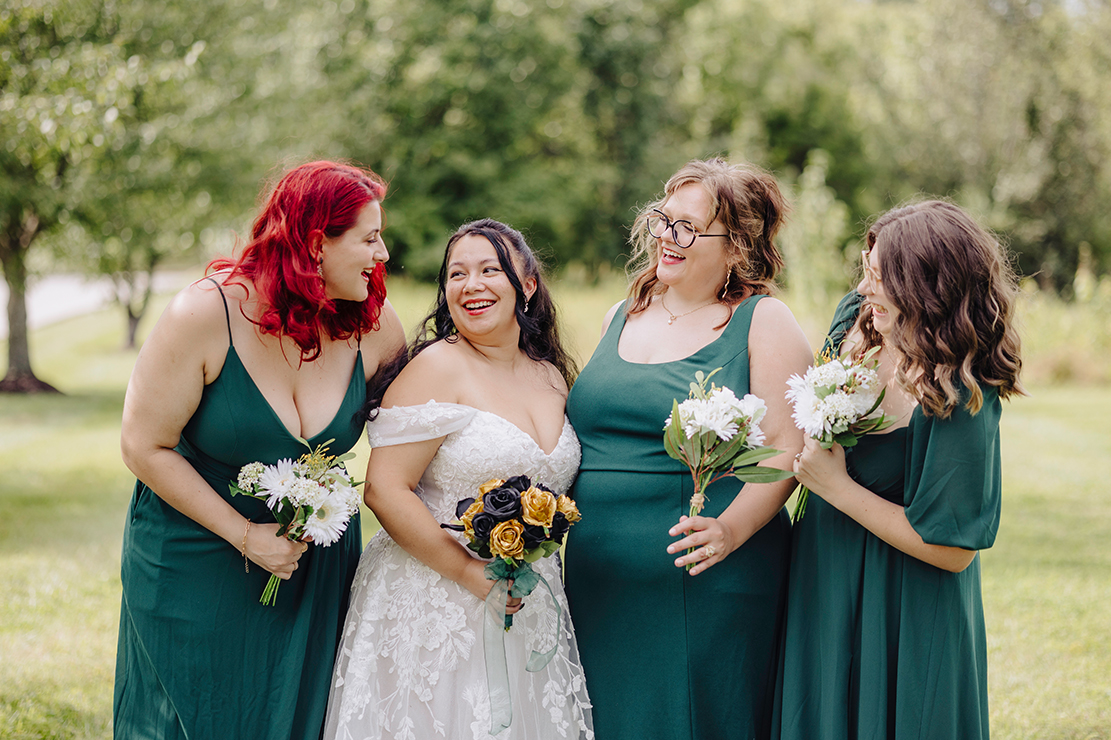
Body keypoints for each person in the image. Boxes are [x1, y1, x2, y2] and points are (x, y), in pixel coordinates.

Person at [114, 161, 406, 739]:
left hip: (312, 572)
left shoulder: (373, 325)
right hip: (194, 561)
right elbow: (143, 446)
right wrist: (246, 535)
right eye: (370, 238)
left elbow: (420, 432)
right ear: (317, 244)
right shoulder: (204, 314)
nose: (384, 253)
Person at [563, 158, 812, 740]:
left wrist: (729, 530)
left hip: (708, 579)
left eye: (688, 228)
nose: (666, 237)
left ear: (737, 248)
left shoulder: (762, 321)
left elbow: (786, 448)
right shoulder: (620, 314)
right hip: (600, 587)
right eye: (663, 219)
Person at [323, 219, 594, 740]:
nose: (472, 285)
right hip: (436, 599)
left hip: (528, 602)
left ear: (527, 285)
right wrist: (468, 572)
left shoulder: (550, 374)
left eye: (490, 270)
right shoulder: (437, 367)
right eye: (457, 274)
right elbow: (384, 489)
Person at [772, 201, 1024, 740]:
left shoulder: (960, 388)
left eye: (881, 278)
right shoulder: (855, 321)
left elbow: (953, 550)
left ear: (929, 288)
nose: (865, 289)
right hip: (825, 578)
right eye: (866, 270)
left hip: (908, 605)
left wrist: (836, 488)